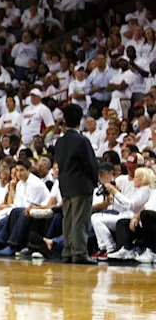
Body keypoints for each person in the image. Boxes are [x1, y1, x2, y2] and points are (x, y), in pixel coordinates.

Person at [55, 104, 99, 264]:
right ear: (79, 120)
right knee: (80, 220)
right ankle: (79, 252)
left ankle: (67, 251)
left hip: (65, 184)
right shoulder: (82, 140)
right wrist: (95, 182)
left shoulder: (59, 142)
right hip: (81, 184)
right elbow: (91, 164)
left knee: (67, 220)